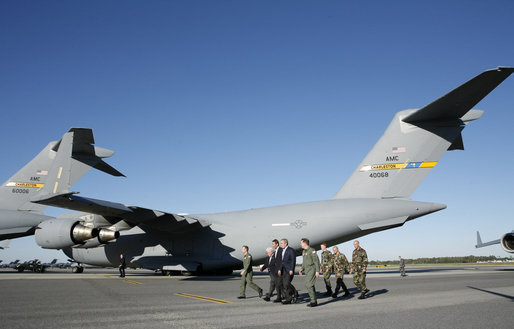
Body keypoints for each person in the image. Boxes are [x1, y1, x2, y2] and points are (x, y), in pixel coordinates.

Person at [299, 238, 320, 307]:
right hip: (307, 270)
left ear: (305, 243)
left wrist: (317, 271)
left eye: (301, 243)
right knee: (310, 285)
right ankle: (314, 300)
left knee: (309, 285)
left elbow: (316, 261)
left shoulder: (312, 250)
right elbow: (304, 261)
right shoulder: (304, 252)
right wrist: (302, 268)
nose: (300, 244)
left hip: (312, 269)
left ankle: (313, 301)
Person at [278, 238, 297, 304]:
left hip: (288, 269)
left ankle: (291, 296)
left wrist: (291, 269)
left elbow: (293, 261)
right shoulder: (282, 250)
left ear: (286, 243)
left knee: (286, 283)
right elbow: (281, 261)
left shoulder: (291, 250)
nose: (281, 244)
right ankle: (290, 296)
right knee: (282, 284)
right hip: (283, 270)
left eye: (282, 243)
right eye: (281, 243)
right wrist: (279, 269)